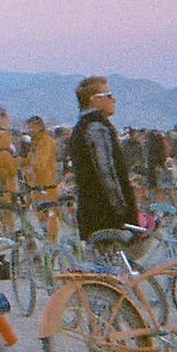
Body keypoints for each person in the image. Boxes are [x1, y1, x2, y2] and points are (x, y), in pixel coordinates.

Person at [68, 76, 138, 245]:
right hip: (107, 216)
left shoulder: (80, 127)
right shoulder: (97, 128)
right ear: (94, 100)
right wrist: (126, 212)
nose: (114, 99)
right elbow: (107, 174)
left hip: (90, 211)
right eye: (108, 95)